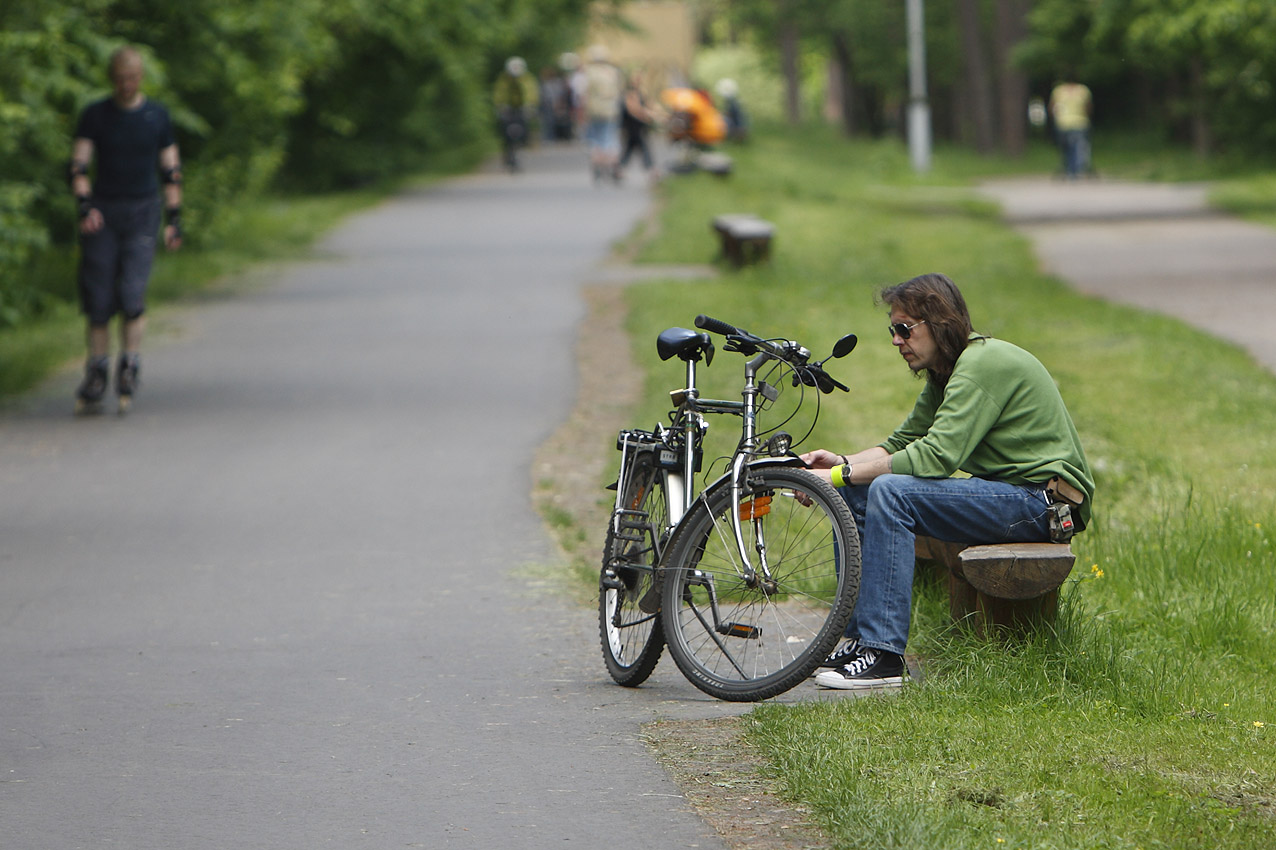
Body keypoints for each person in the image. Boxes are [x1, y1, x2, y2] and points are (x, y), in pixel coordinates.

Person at [798, 273, 1094, 690]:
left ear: (938, 323)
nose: (896, 341)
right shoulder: (947, 372)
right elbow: (901, 443)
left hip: (1041, 504)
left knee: (890, 492)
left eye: (905, 329)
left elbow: (937, 456)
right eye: (892, 330)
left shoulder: (980, 365)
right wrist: (840, 465)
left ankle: (884, 656)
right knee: (852, 493)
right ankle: (861, 640)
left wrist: (832, 474)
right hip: (1012, 496)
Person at [70, 45, 182, 414]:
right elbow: (78, 165)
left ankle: (129, 364)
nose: (126, 85)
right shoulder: (96, 116)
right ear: (111, 80)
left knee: (132, 294)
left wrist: (174, 219)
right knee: (99, 297)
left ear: (141, 78)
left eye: (132, 78)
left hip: (143, 210)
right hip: (104, 211)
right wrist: (85, 205)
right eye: (120, 79)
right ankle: (97, 369)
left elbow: (171, 169)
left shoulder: (156, 116)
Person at [581, 45, 624, 184]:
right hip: (611, 110)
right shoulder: (612, 72)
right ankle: (613, 167)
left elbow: (584, 94)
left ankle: (598, 168)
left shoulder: (589, 73)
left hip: (595, 110)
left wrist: (583, 111)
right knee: (610, 138)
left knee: (595, 139)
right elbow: (618, 92)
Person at [492, 56, 537, 172]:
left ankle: (523, 146)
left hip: (522, 108)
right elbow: (499, 93)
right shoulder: (503, 80)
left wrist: (530, 105)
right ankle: (507, 153)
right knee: (505, 131)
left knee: (524, 128)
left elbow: (532, 93)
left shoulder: (527, 79)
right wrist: (500, 105)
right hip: (508, 108)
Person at [1049, 77, 1093, 179]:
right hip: (1079, 122)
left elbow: (1052, 107)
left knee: (1068, 147)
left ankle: (1070, 169)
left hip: (1064, 123)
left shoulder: (1059, 90)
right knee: (1076, 147)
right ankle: (1074, 169)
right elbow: (1088, 106)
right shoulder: (1083, 90)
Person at [618, 70, 658, 180]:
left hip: (639, 125)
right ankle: (651, 169)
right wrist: (645, 115)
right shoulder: (631, 93)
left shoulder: (641, 92)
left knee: (631, 147)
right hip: (632, 125)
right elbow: (633, 109)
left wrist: (655, 114)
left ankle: (620, 169)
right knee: (642, 146)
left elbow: (650, 105)